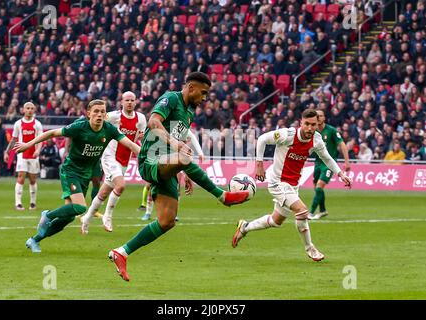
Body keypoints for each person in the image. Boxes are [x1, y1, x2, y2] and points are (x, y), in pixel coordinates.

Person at [108, 72, 250, 281]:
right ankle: (223, 196)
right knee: (184, 157)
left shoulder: (189, 112)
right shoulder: (171, 98)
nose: (204, 98)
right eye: (203, 93)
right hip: (150, 160)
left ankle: (122, 252)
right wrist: (177, 151)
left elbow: (176, 142)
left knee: (167, 221)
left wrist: (182, 169)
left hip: (167, 164)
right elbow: (154, 123)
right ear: (191, 88)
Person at [13, 99, 140, 253]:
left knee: (68, 217)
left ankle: (34, 240)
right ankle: (47, 215)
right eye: (96, 111)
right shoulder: (80, 127)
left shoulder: (110, 129)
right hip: (70, 171)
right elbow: (52, 132)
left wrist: (147, 156)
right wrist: (28, 144)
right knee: (80, 207)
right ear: (88, 114)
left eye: (102, 111)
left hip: (85, 175)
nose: (99, 115)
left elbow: (131, 145)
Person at [232, 109, 352, 262]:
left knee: (276, 221)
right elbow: (262, 139)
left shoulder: (316, 139)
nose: (310, 128)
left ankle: (245, 227)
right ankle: (310, 249)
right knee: (302, 211)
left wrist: (341, 174)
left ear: (317, 124)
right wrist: (259, 165)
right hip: (277, 183)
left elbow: (327, 158)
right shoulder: (287, 135)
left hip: (293, 186)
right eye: (307, 124)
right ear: (301, 123)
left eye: (313, 125)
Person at [80, 91, 146, 233]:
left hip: (125, 159)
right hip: (110, 156)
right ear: (121, 102)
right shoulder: (113, 116)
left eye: (132, 100)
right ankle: (108, 216)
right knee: (121, 185)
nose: (129, 102)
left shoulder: (141, 118)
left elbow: (140, 137)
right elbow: (96, 122)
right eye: (126, 100)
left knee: (104, 192)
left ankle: (86, 218)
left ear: (136, 102)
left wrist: (142, 138)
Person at [140, 129, 204, 221]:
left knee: (176, 188)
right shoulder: (169, 127)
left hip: (176, 162)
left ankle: (174, 213)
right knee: (150, 186)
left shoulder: (183, 129)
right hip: (162, 160)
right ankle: (148, 212)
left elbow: (192, 138)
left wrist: (200, 152)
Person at [308, 109, 350, 220]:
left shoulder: (331, 130)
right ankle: (322, 210)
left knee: (319, 187)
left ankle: (310, 213)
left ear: (324, 118)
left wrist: (347, 162)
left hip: (328, 164)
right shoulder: (313, 132)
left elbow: (342, 145)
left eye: (321, 116)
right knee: (317, 189)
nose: (318, 118)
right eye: (317, 116)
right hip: (317, 163)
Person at [4, 102, 43, 210]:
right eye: (28, 108)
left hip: (33, 154)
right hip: (22, 154)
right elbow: (14, 139)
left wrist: (38, 150)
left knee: (32, 179)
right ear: (23, 110)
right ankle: (18, 203)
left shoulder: (37, 124)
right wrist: (7, 151)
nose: (30, 110)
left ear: (34, 110)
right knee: (21, 177)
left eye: (32, 108)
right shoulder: (18, 123)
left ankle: (33, 203)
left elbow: (41, 139)